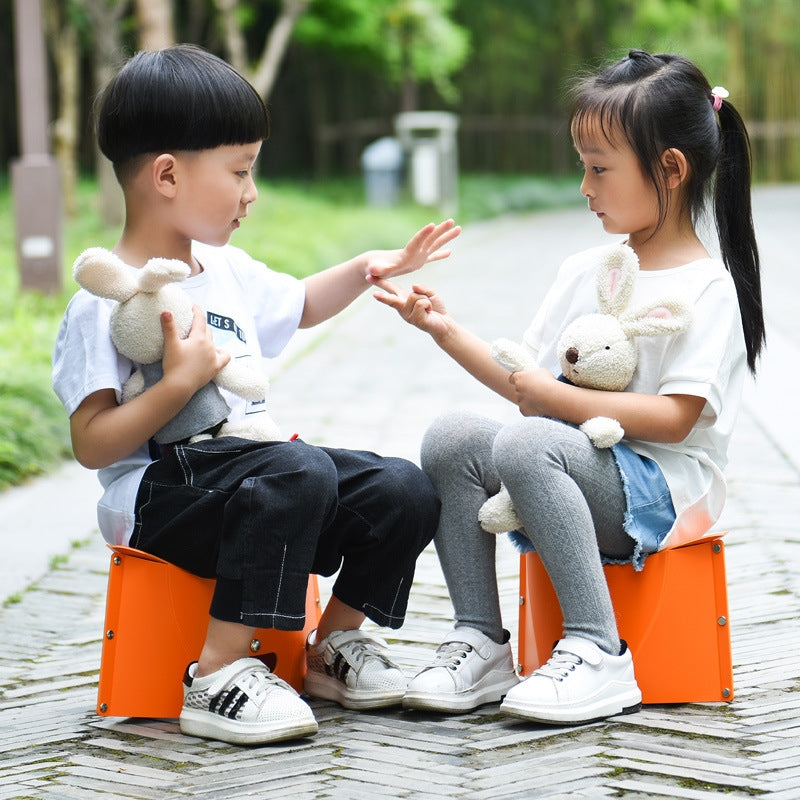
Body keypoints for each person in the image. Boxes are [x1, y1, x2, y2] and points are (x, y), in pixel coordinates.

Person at [52, 44, 460, 746]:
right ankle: (215, 675)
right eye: (240, 171)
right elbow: (92, 443)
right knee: (296, 471)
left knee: (403, 489)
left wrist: (368, 269)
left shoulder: (225, 269)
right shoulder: (105, 299)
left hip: (261, 482)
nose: (252, 191)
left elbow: (299, 304)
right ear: (168, 176)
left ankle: (330, 648)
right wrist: (177, 384)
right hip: (157, 498)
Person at [373, 49, 764, 725]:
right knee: (453, 438)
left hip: (663, 491)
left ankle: (596, 649)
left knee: (528, 444)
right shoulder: (589, 267)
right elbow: (528, 385)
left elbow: (673, 420)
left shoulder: (707, 287)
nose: (585, 186)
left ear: (671, 169)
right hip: (576, 462)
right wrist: (446, 331)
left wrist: (552, 403)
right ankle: (481, 642)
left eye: (599, 168)